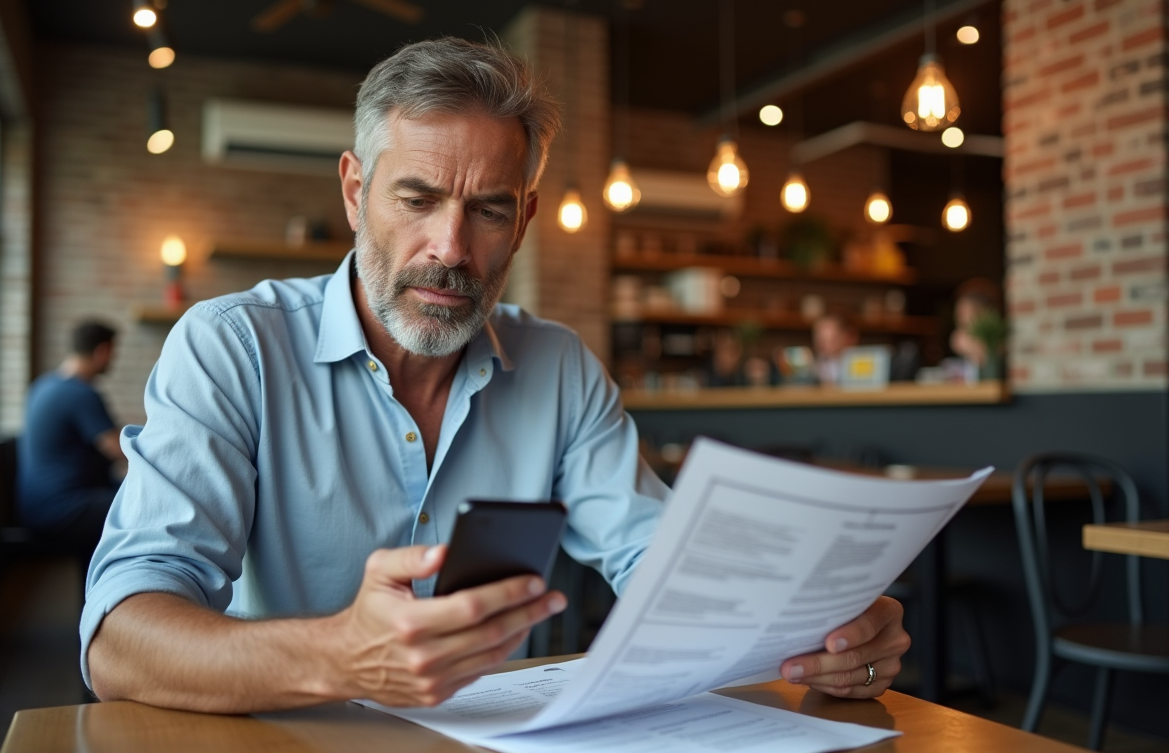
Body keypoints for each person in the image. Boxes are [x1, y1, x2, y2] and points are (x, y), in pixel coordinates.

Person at [84, 38, 909, 714]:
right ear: (354, 190)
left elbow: (665, 568)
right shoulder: (231, 349)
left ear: (525, 223)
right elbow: (120, 641)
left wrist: (819, 625)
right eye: (417, 198)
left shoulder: (558, 369)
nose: (452, 247)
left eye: (489, 210)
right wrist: (342, 656)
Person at [17, 320, 126, 554]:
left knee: (123, 494)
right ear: (102, 351)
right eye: (113, 353)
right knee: (142, 507)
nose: (113, 360)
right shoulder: (81, 393)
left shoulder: (42, 385)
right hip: (62, 509)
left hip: (34, 506)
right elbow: (119, 450)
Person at [812, 309, 860, 385]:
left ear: (849, 336)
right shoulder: (813, 367)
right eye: (820, 339)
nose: (822, 345)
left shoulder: (860, 364)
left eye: (831, 339)